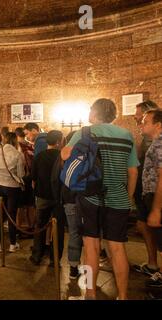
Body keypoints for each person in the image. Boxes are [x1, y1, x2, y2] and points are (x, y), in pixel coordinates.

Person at [61, 98, 139, 300]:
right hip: (119, 198)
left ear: (94, 113)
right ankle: (122, 296)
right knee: (117, 248)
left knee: (91, 246)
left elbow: (64, 156)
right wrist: (128, 197)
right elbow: (132, 172)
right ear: (113, 115)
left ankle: (90, 294)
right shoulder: (126, 135)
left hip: (90, 197)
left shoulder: (85, 132)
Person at [132, 100, 161, 276]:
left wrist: (156, 209)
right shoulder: (148, 137)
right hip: (146, 191)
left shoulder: (158, 142)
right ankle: (153, 265)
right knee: (145, 227)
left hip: (155, 192)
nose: (137, 118)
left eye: (142, 117)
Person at [29, 130, 64, 265]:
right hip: (58, 198)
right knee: (58, 228)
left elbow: (33, 179)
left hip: (42, 196)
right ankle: (54, 260)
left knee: (40, 225)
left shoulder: (39, 156)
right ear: (58, 142)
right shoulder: (62, 157)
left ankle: (37, 255)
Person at [52, 131, 82, 279]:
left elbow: (55, 179)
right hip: (88, 199)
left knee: (74, 233)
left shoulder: (64, 157)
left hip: (69, 199)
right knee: (91, 235)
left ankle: (74, 267)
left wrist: (58, 199)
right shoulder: (89, 154)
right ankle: (91, 267)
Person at [0, 132, 25, 253]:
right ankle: (12, 244)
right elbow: (21, 174)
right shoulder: (18, 154)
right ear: (15, 141)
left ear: (4, 139)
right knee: (12, 215)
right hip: (12, 188)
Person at [140, 109, 162, 290]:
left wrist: (156, 209)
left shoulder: (160, 144)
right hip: (152, 195)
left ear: (158, 125)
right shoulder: (155, 143)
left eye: (146, 121)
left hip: (157, 197)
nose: (141, 123)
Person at [15, 127, 36, 232]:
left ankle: (19, 228)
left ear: (16, 136)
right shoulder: (31, 146)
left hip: (21, 177)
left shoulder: (17, 146)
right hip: (31, 178)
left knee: (20, 205)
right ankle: (31, 226)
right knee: (30, 204)